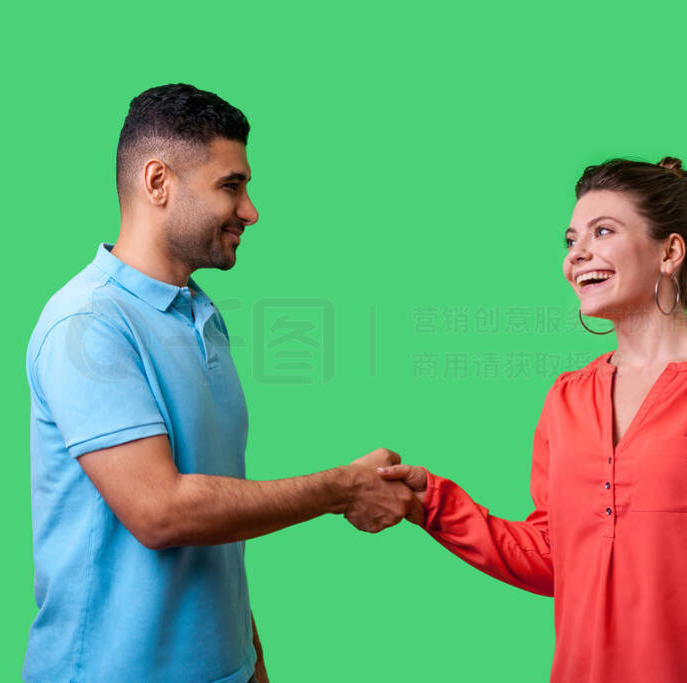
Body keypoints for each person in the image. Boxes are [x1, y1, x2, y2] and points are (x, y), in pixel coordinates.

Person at [377, 157, 687, 682]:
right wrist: (431, 502)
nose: (579, 255)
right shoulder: (566, 399)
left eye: (603, 232)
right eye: (571, 241)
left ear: (669, 252)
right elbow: (554, 554)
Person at [23, 83, 420, 682]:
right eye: (230, 185)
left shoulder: (200, 316)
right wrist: (342, 489)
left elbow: (218, 513)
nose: (251, 210)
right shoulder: (88, 325)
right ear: (158, 183)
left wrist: (250, 658)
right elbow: (162, 513)